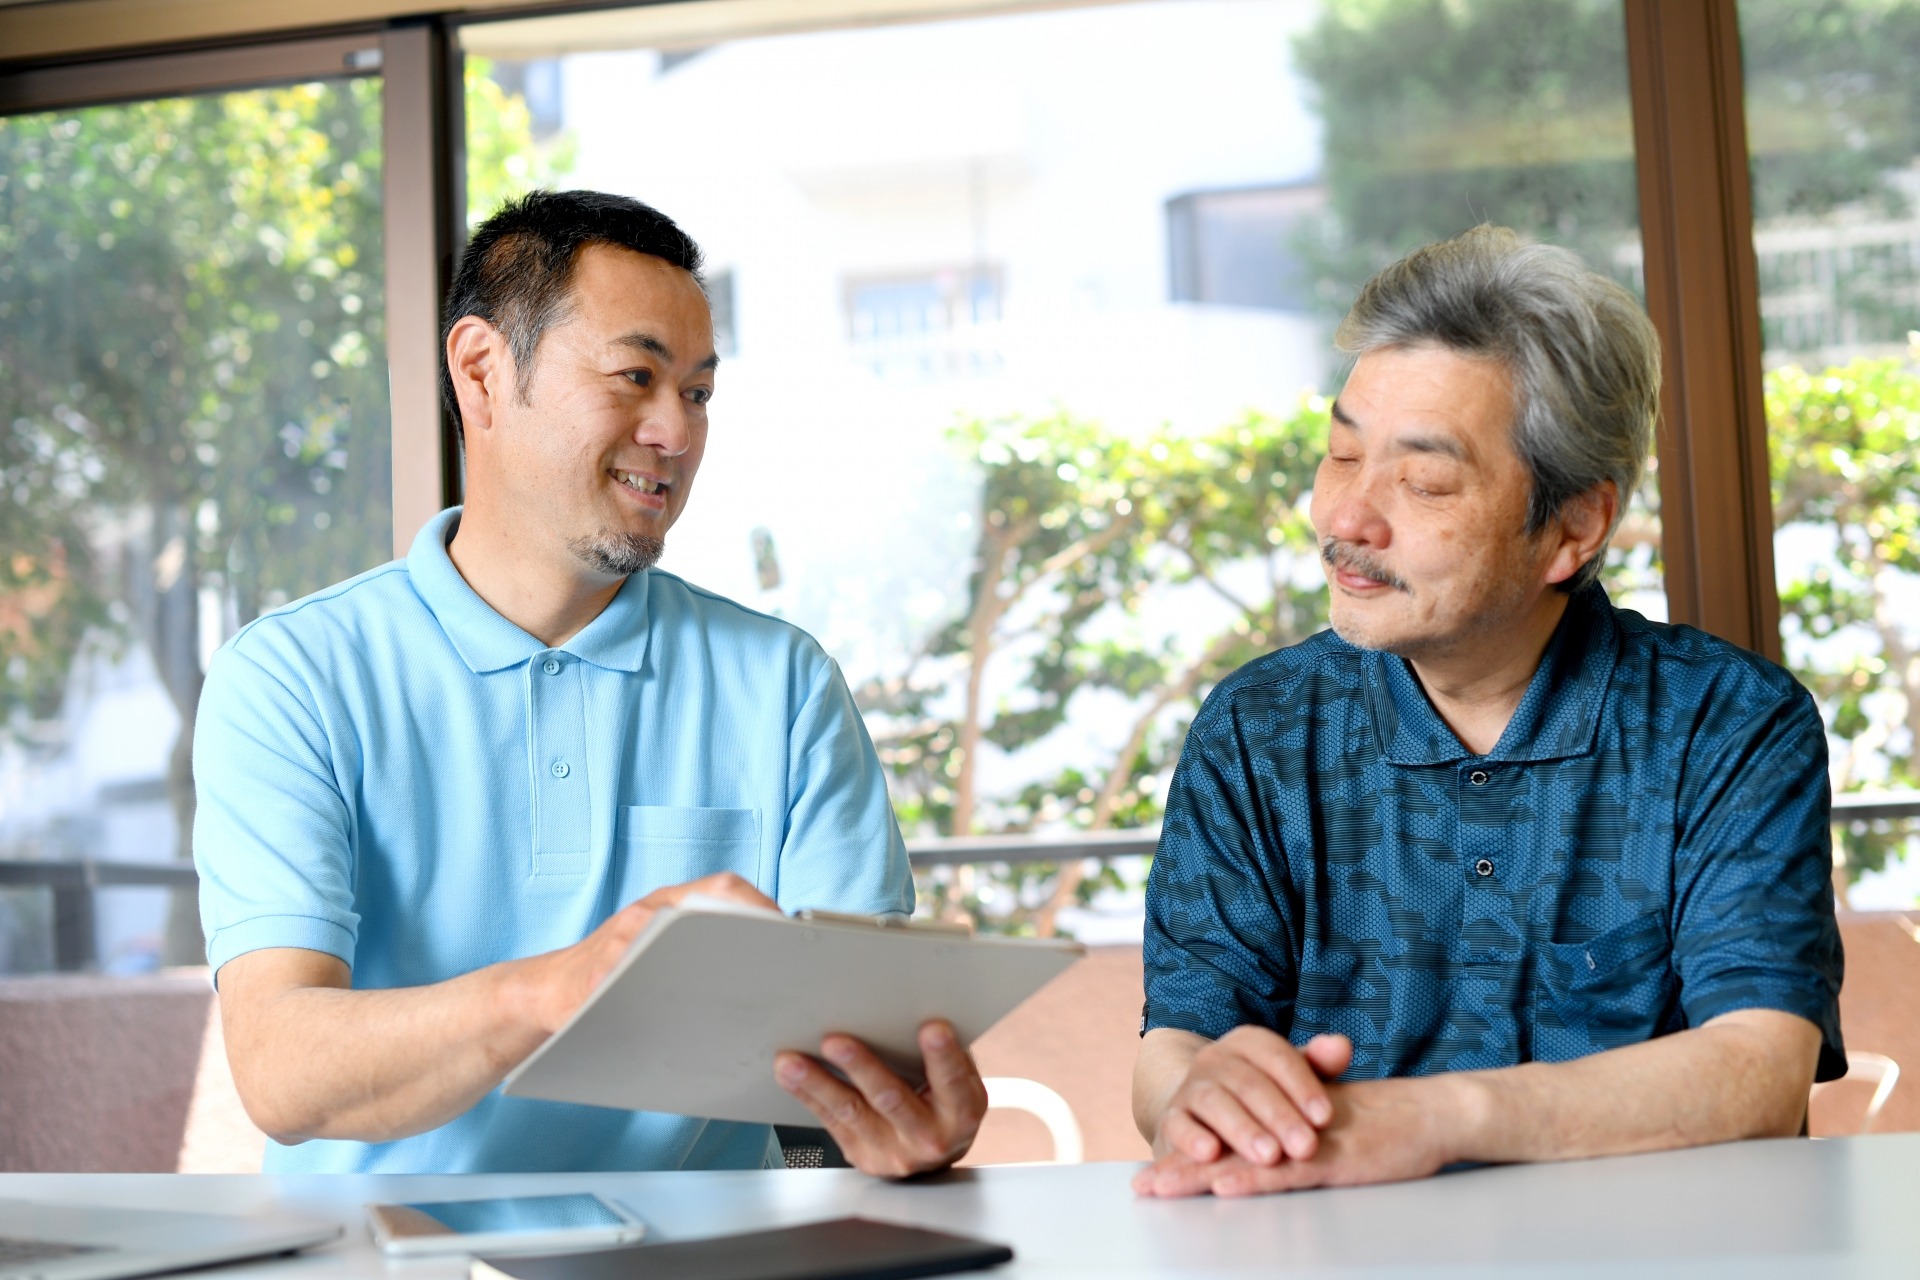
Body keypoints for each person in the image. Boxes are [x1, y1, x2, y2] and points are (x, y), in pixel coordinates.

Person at [193, 190, 987, 1176]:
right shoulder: (292, 677)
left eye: (698, 392)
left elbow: (848, 1079)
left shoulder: (784, 685)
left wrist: (898, 1129)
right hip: (387, 1245)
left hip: (703, 1249)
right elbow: (281, 1071)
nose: (676, 431)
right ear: (482, 372)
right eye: (635, 376)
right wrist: (551, 990)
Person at [1131, 225, 1845, 1198]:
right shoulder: (1258, 729)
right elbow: (1177, 1042)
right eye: (1341, 453)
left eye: (1424, 481)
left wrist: (1433, 1120)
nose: (1344, 518)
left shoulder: (1728, 721)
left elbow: (1760, 1065)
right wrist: (1201, 1097)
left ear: (1574, 526)